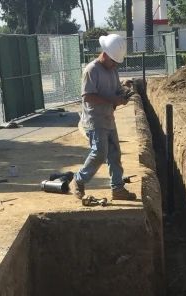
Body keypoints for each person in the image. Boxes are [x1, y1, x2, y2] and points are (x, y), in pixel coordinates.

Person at [72, 34, 137, 203]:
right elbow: (88, 96)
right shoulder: (91, 70)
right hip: (95, 120)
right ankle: (78, 180)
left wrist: (123, 93)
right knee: (100, 153)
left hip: (108, 117)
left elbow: (115, 91)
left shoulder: (112, 70)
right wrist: (113, 100)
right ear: (105, 54)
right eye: (113, 61)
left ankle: (117, 188)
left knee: (114, 153)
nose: (115, 64)